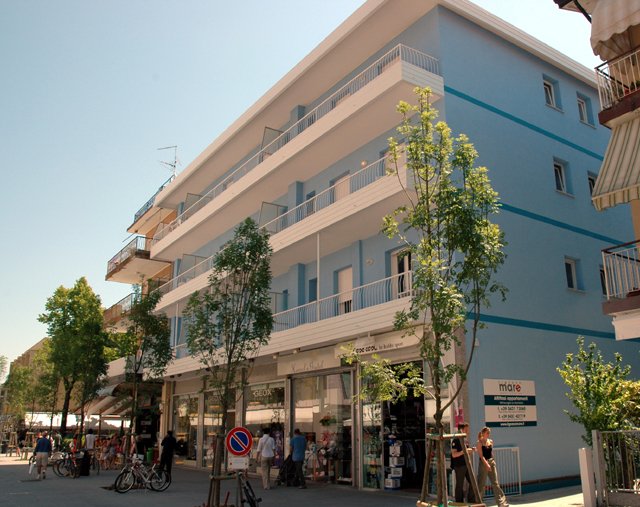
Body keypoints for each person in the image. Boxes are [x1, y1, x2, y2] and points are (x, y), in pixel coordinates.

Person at [476, 427, 509, 507]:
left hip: (491, 462)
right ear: (483, 433)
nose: (489, 434)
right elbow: (481, 456)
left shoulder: (490, 441)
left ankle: (501, 503)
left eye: (489, 433)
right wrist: (486, 464)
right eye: (487, 432)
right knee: (481, 484)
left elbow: (491, 452)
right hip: (483, 463)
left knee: (495, 483)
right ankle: (479, 503)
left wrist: (493, 461)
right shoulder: (479, 442)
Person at [451, 422, 477, 504]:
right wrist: (464, 451)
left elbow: (466, 452)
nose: (467, 432)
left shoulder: (465, 440)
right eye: (466, 430)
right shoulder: (456, 440)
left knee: (473, 482)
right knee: (460, 484)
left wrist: (471, 450)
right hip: (459, 465)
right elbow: (454, 454)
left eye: (468, 430)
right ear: (461, 430)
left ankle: (471, 500)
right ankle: (459, 502)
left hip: (467, 464)